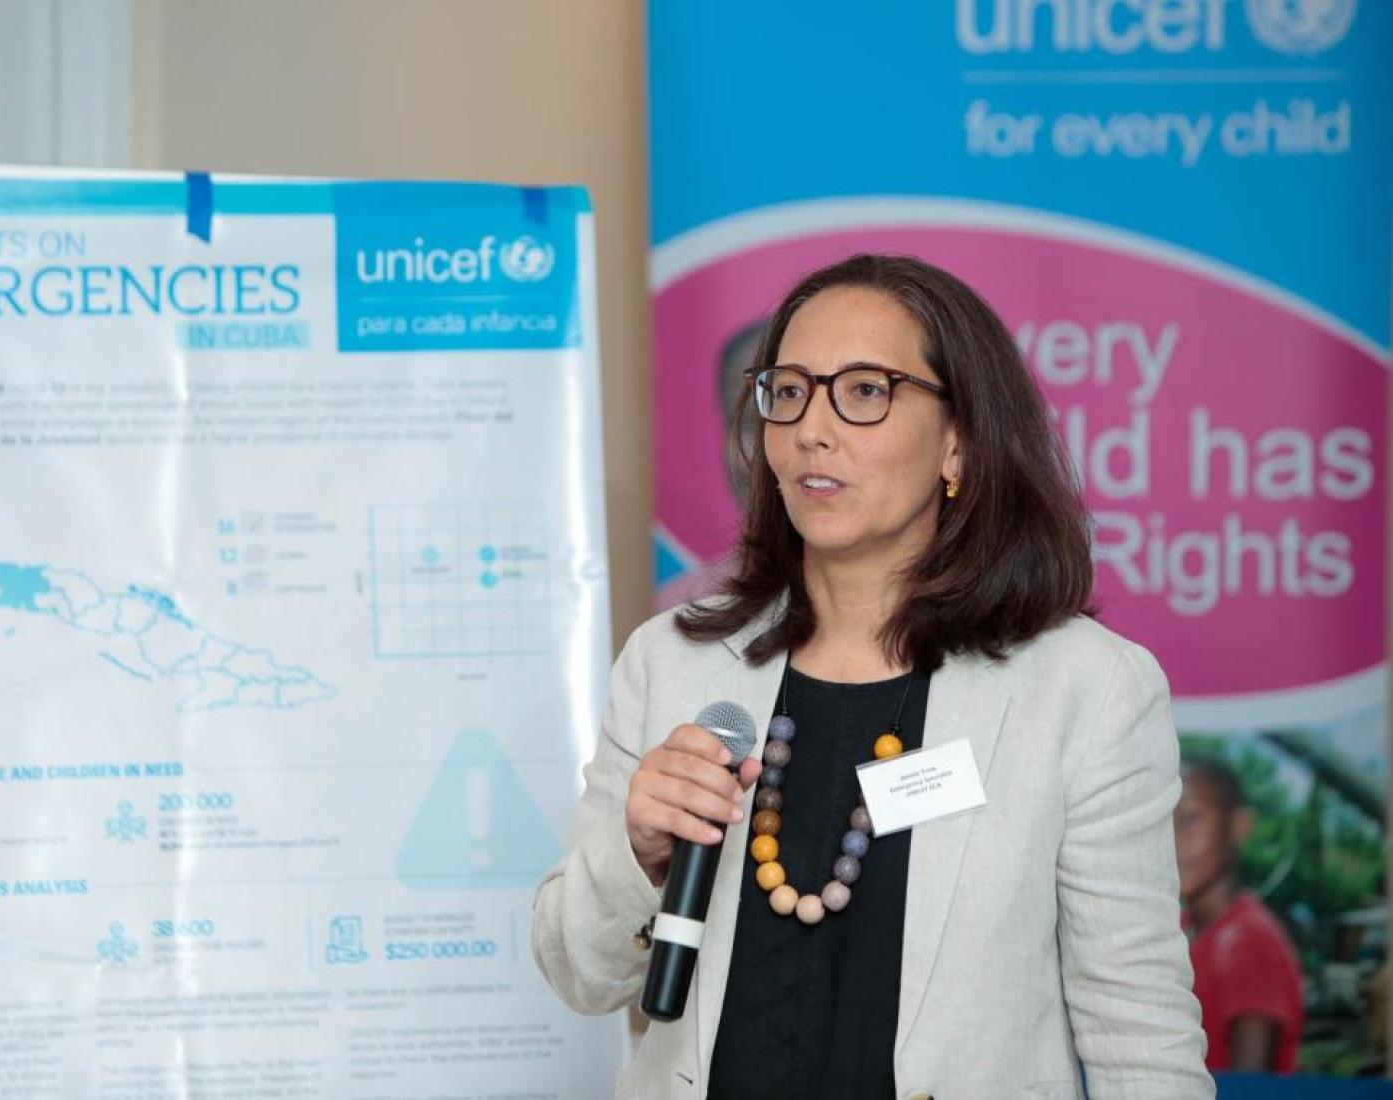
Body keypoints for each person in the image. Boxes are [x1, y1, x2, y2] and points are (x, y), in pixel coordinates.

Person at [532, 254, 1212, 1098]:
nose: (814, 428)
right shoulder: (673, 661)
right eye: (789, 392)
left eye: (864, 391)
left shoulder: (1082, 689)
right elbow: (578, 975)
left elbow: (1137, 1024)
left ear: (958, 442)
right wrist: (637, 850)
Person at [1175, 756, 1305, 1072]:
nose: (1172, 840)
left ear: (1238, 826)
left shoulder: (1249, 943)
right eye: (1159, 823)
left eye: (1189, 820)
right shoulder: (1179, 930)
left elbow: (1251, 1086)